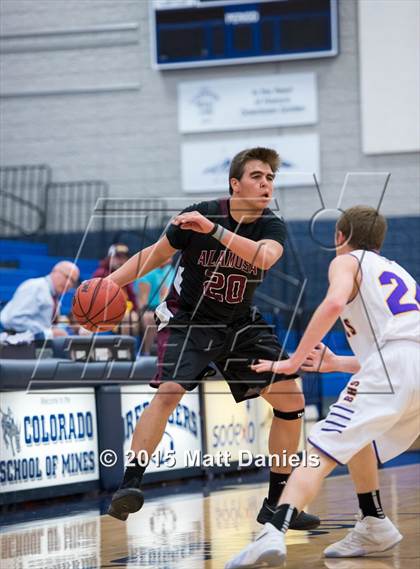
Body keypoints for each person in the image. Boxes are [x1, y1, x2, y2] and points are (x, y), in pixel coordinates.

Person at [105, 147, 320, 530]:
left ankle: (276, 502)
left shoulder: (271, 226)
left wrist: (215, 232)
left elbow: (264, 258)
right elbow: (152, 257)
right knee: (169, 391)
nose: (266, 184)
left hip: (238, 323)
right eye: (257, 176)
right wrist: (108, 283)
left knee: (291, 397)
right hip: (190, 319)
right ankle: (129, 484)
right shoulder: (201, 212)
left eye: (270, 178)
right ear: (234, 184)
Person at [225, 205, 420, 568]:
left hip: (393, 367)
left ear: (339, 237)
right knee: (354, 432)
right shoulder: (397, 271)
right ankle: (373, 520)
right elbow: (400, 352)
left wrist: (292, 361)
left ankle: (273, 531)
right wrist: (336, 364)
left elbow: (332, 303)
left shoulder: (346, 262)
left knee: (320, 447)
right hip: (408, 367)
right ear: (380, 240)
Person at [0, 261, 79, 339]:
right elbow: (14, 319)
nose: (69, 284)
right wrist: (48, 332)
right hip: (15, 345)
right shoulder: (35, 287)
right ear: (55, 271)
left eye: (73, 281)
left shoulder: (54, 296)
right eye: (67, 277)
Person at [93, 243, 139, 336]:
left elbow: (133, 299)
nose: (121, 261)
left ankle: (143, 350)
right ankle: (125, 349)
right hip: (107, 313)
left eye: (124, 258)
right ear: (110, 258)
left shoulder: (127, 275)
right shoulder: (100, 274)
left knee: (144, 317)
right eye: (118, 257)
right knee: (128, 318)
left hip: (126, 311)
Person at [135, 258, 176, 355]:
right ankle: (146, 353)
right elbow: (142, 301)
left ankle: (169, 353)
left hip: (166, 307)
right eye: (167, 256)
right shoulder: (146, 271)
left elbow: (167, 295)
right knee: (149, 318)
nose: (170, 259)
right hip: (147, 309)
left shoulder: (170, 270)